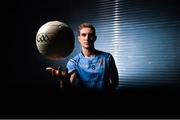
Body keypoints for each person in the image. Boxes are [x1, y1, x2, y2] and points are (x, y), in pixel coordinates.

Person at [46, 23, 119, 93]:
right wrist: (64, 80)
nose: (87, 38)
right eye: (83, 35)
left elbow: (115, 82)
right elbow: (68, 89)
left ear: (95, 38)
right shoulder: (73, 62)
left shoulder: (107, 58)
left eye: (90, 35)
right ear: (79, 38)